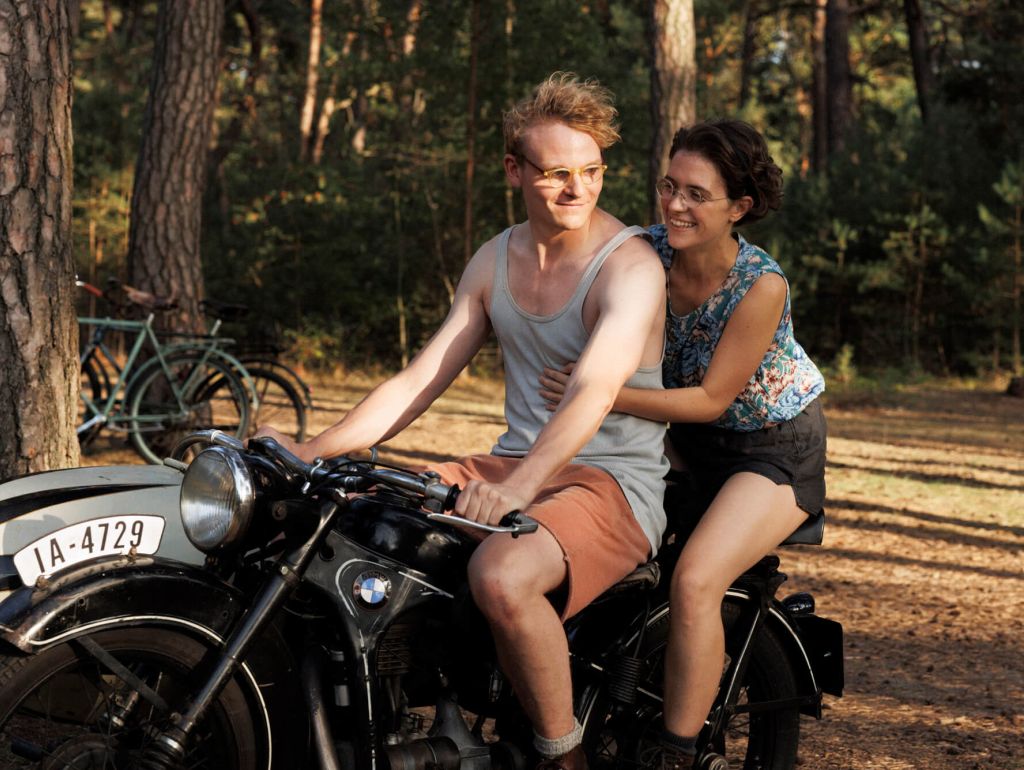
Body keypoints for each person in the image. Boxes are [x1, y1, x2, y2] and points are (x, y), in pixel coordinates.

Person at [256, 72, 670, 770]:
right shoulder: (495, 259)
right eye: (558, 173)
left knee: (502, 576)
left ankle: (563, 756)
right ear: (515, 169)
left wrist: (520, 488)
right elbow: (419, 380)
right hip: (514, 465)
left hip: (609, 482)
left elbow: (594, 392)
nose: (579, 190)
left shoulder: (628, 267)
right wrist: (310, 449)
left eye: (593, 171)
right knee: (346, 520)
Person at [539, 119, 826, 769]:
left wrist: (598, 391)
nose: (674, 204)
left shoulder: (761, 285)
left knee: (696, 578)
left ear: (739, 208)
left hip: (772, 446)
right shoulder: (648, 252)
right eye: (670, 186)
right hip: (683, 442)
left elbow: (711, 400)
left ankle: (679, 751)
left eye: (697, 194)